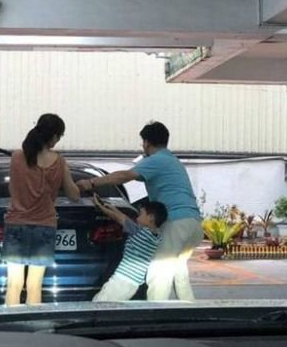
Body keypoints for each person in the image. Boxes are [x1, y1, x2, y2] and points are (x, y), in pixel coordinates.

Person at [77, 121, 203, 301]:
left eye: (143, 142)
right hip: (194, 224)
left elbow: (125, 176)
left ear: (146, 142)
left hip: (176, 223)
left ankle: (154, 313)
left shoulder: (156, 160)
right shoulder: (172, 161)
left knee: (159, 273)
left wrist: (91, 183)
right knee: (179, 272)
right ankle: (190, 310)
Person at [2, 113, 80, 305]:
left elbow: (12, 188)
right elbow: (74, 196)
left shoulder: (17, 157)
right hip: (45, 226)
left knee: (14, 283)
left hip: (16, 223)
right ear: (53, 136)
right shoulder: (59, 162)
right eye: (59, 136)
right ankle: (33, 322)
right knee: (35, 285)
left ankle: (11, 321)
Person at [92, 196, 167, 302]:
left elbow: (119, 218)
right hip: (133, 283)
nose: (137, 218)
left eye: (141, 214)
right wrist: (112, 207)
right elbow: (123, 218)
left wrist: (101, 207)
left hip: (121, 280)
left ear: (150, 218)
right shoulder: (156, 236)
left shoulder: (140, 232)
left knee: (99, 303)